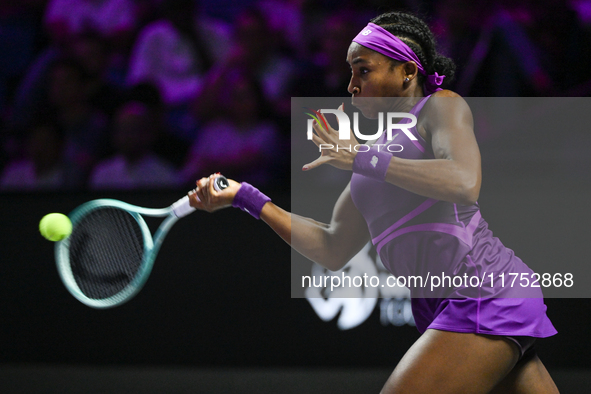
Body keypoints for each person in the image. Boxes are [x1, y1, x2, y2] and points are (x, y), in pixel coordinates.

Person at [187, 12, 559, 394]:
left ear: (407, 72)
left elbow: (464, 182)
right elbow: (332, 247)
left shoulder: (439, 107)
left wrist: (363, 158)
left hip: (482, 291)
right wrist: (245, 196)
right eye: (350, 72)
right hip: (447, 303)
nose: (351, 85)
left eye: (363, 71)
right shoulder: (372, 159)